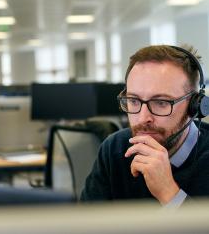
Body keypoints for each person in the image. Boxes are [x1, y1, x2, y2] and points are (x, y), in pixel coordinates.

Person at [80, 45, 209, 207]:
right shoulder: (115, 149)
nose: (143, 118)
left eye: (161, 102)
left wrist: (169, 192)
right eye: (134, 101)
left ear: (194, 106)